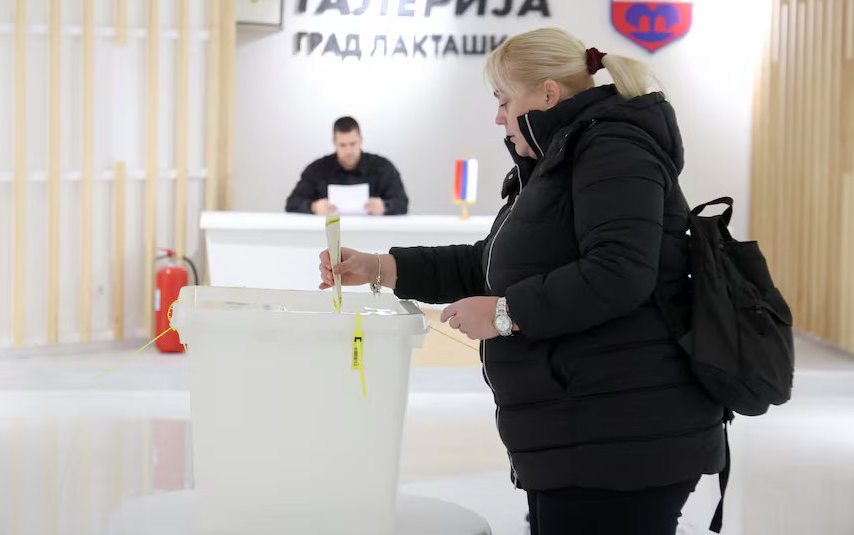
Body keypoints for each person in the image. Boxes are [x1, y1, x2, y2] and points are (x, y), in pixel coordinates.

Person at [319, 28, 725, 535]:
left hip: (622, 438)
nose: (498, 117)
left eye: (503, 100)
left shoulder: (613, 150)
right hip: (581, 432)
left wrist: (504, 313)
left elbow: (620, 272)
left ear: (548, 95)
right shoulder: (558, 160)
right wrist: (380, 267)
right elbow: (491, 265)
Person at [285, 116, 408, 216]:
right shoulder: (317, 169)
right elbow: (292, 203)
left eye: (353, 144)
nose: (348, 151)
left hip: (372, 235)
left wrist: (384, 207)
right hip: (327, 235)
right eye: (342, 145)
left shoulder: (382, 167)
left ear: (361, 140)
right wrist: (314, 206)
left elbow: (402, 202)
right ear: (334, 143)